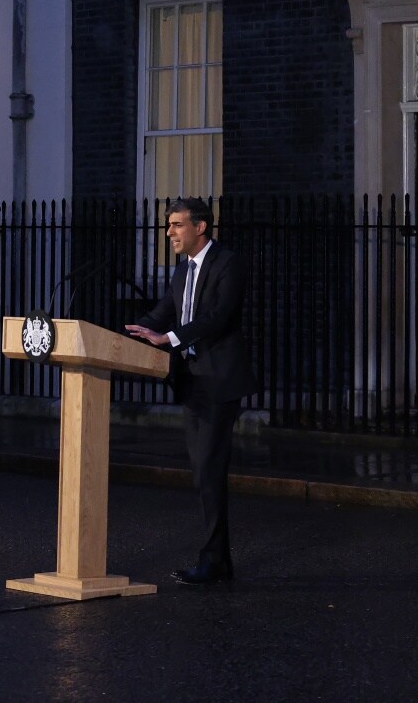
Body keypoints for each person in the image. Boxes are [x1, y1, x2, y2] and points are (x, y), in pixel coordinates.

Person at [125, 198, 258, 585]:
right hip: (191, 383)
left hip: (218, 383)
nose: (169, 233)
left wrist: (168, 338)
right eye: (169, 225)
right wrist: (127, 335)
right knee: (203, 473)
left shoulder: (227, 263)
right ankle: (218, 560)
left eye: (176, 225)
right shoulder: (183, 271)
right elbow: (163, 311)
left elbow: (217, 317)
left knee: (209, 471)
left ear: (200, 227)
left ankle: (215, 561)